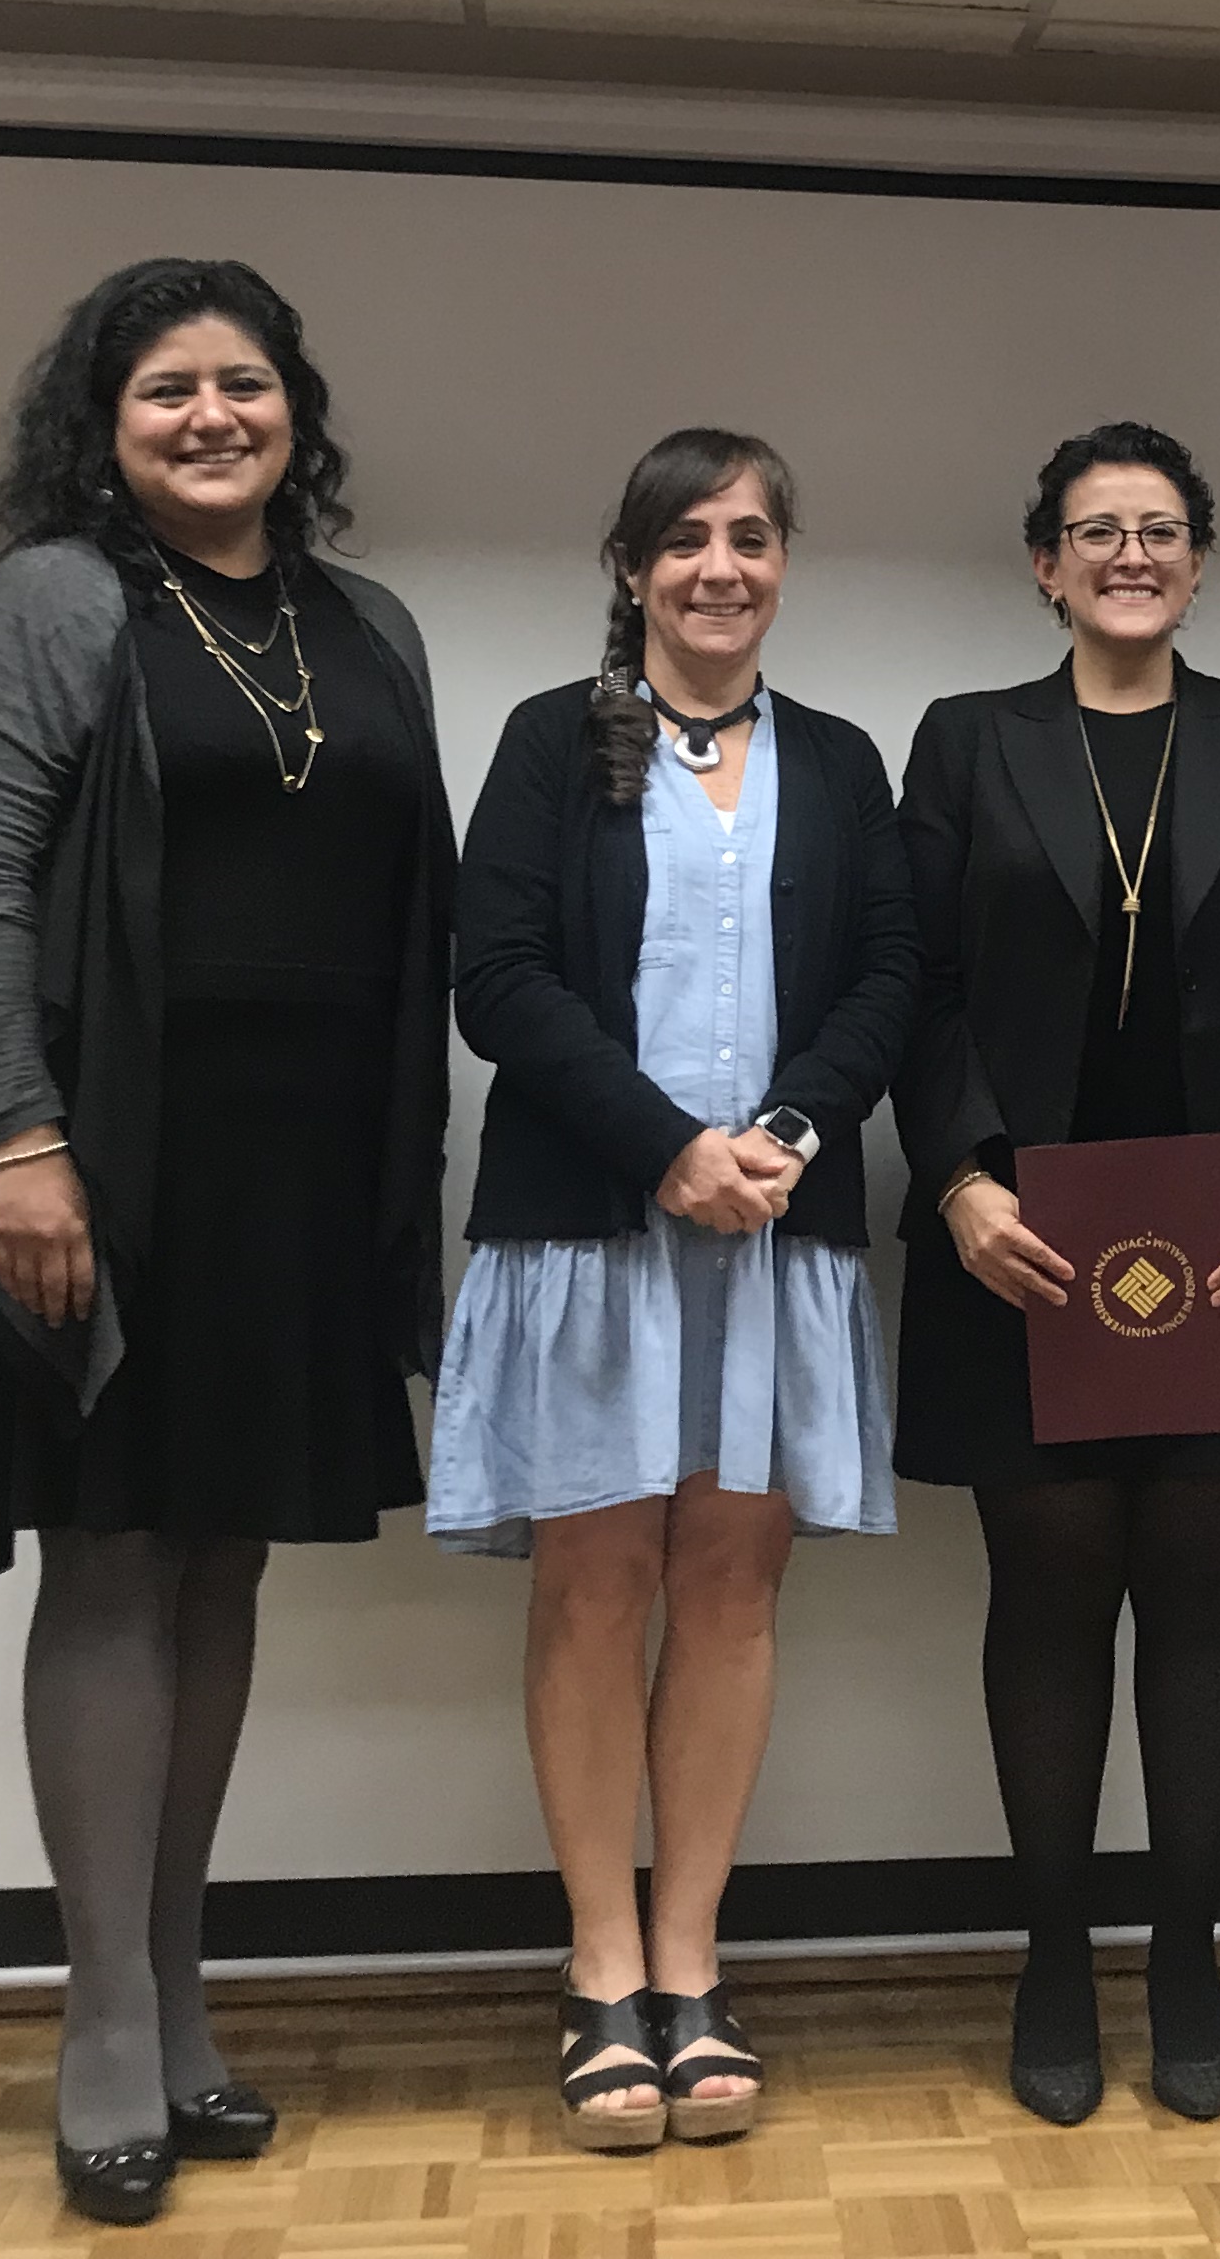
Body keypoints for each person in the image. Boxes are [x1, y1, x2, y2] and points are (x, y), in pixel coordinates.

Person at [0, 258, 454, 2228]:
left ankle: (183, 1992)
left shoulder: (368, 627)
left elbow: (407, 908)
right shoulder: (52, 605)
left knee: (222, 1569)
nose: (214, 416)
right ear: (104, 429)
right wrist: (18, 1135)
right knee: (111, 1561)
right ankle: (104, 2018)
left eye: (245, 384)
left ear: (298, 407)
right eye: (169, 391)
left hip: (296, 1170)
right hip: (105, 1147)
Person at [430, 428, 919, 2152]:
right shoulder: (550, 745)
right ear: (633, 566)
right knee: (592, 1587)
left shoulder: (847, 764)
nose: (725, 566)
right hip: (594, 1232)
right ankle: (598, 1969)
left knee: (728, 1590)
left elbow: (889, 974)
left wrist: (787, 1128)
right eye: (690, 538)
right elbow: (494, 978)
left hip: (776, 1240)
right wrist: (660, 1147)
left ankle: (695, 1967)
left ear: (786, 563)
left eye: (756, 536)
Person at [893, 423, 1220, 2127]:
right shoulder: (964, 745)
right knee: (1045, 1597)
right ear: (1044, 564)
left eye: (1159, 529)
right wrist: (950, 1179)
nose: (1128, 554)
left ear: (1197, 559)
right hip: (1013, 1247)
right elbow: (920, 984)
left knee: (1203, 1593)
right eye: (1094, 531)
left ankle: (1184, 1953)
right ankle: (1049, 1953)